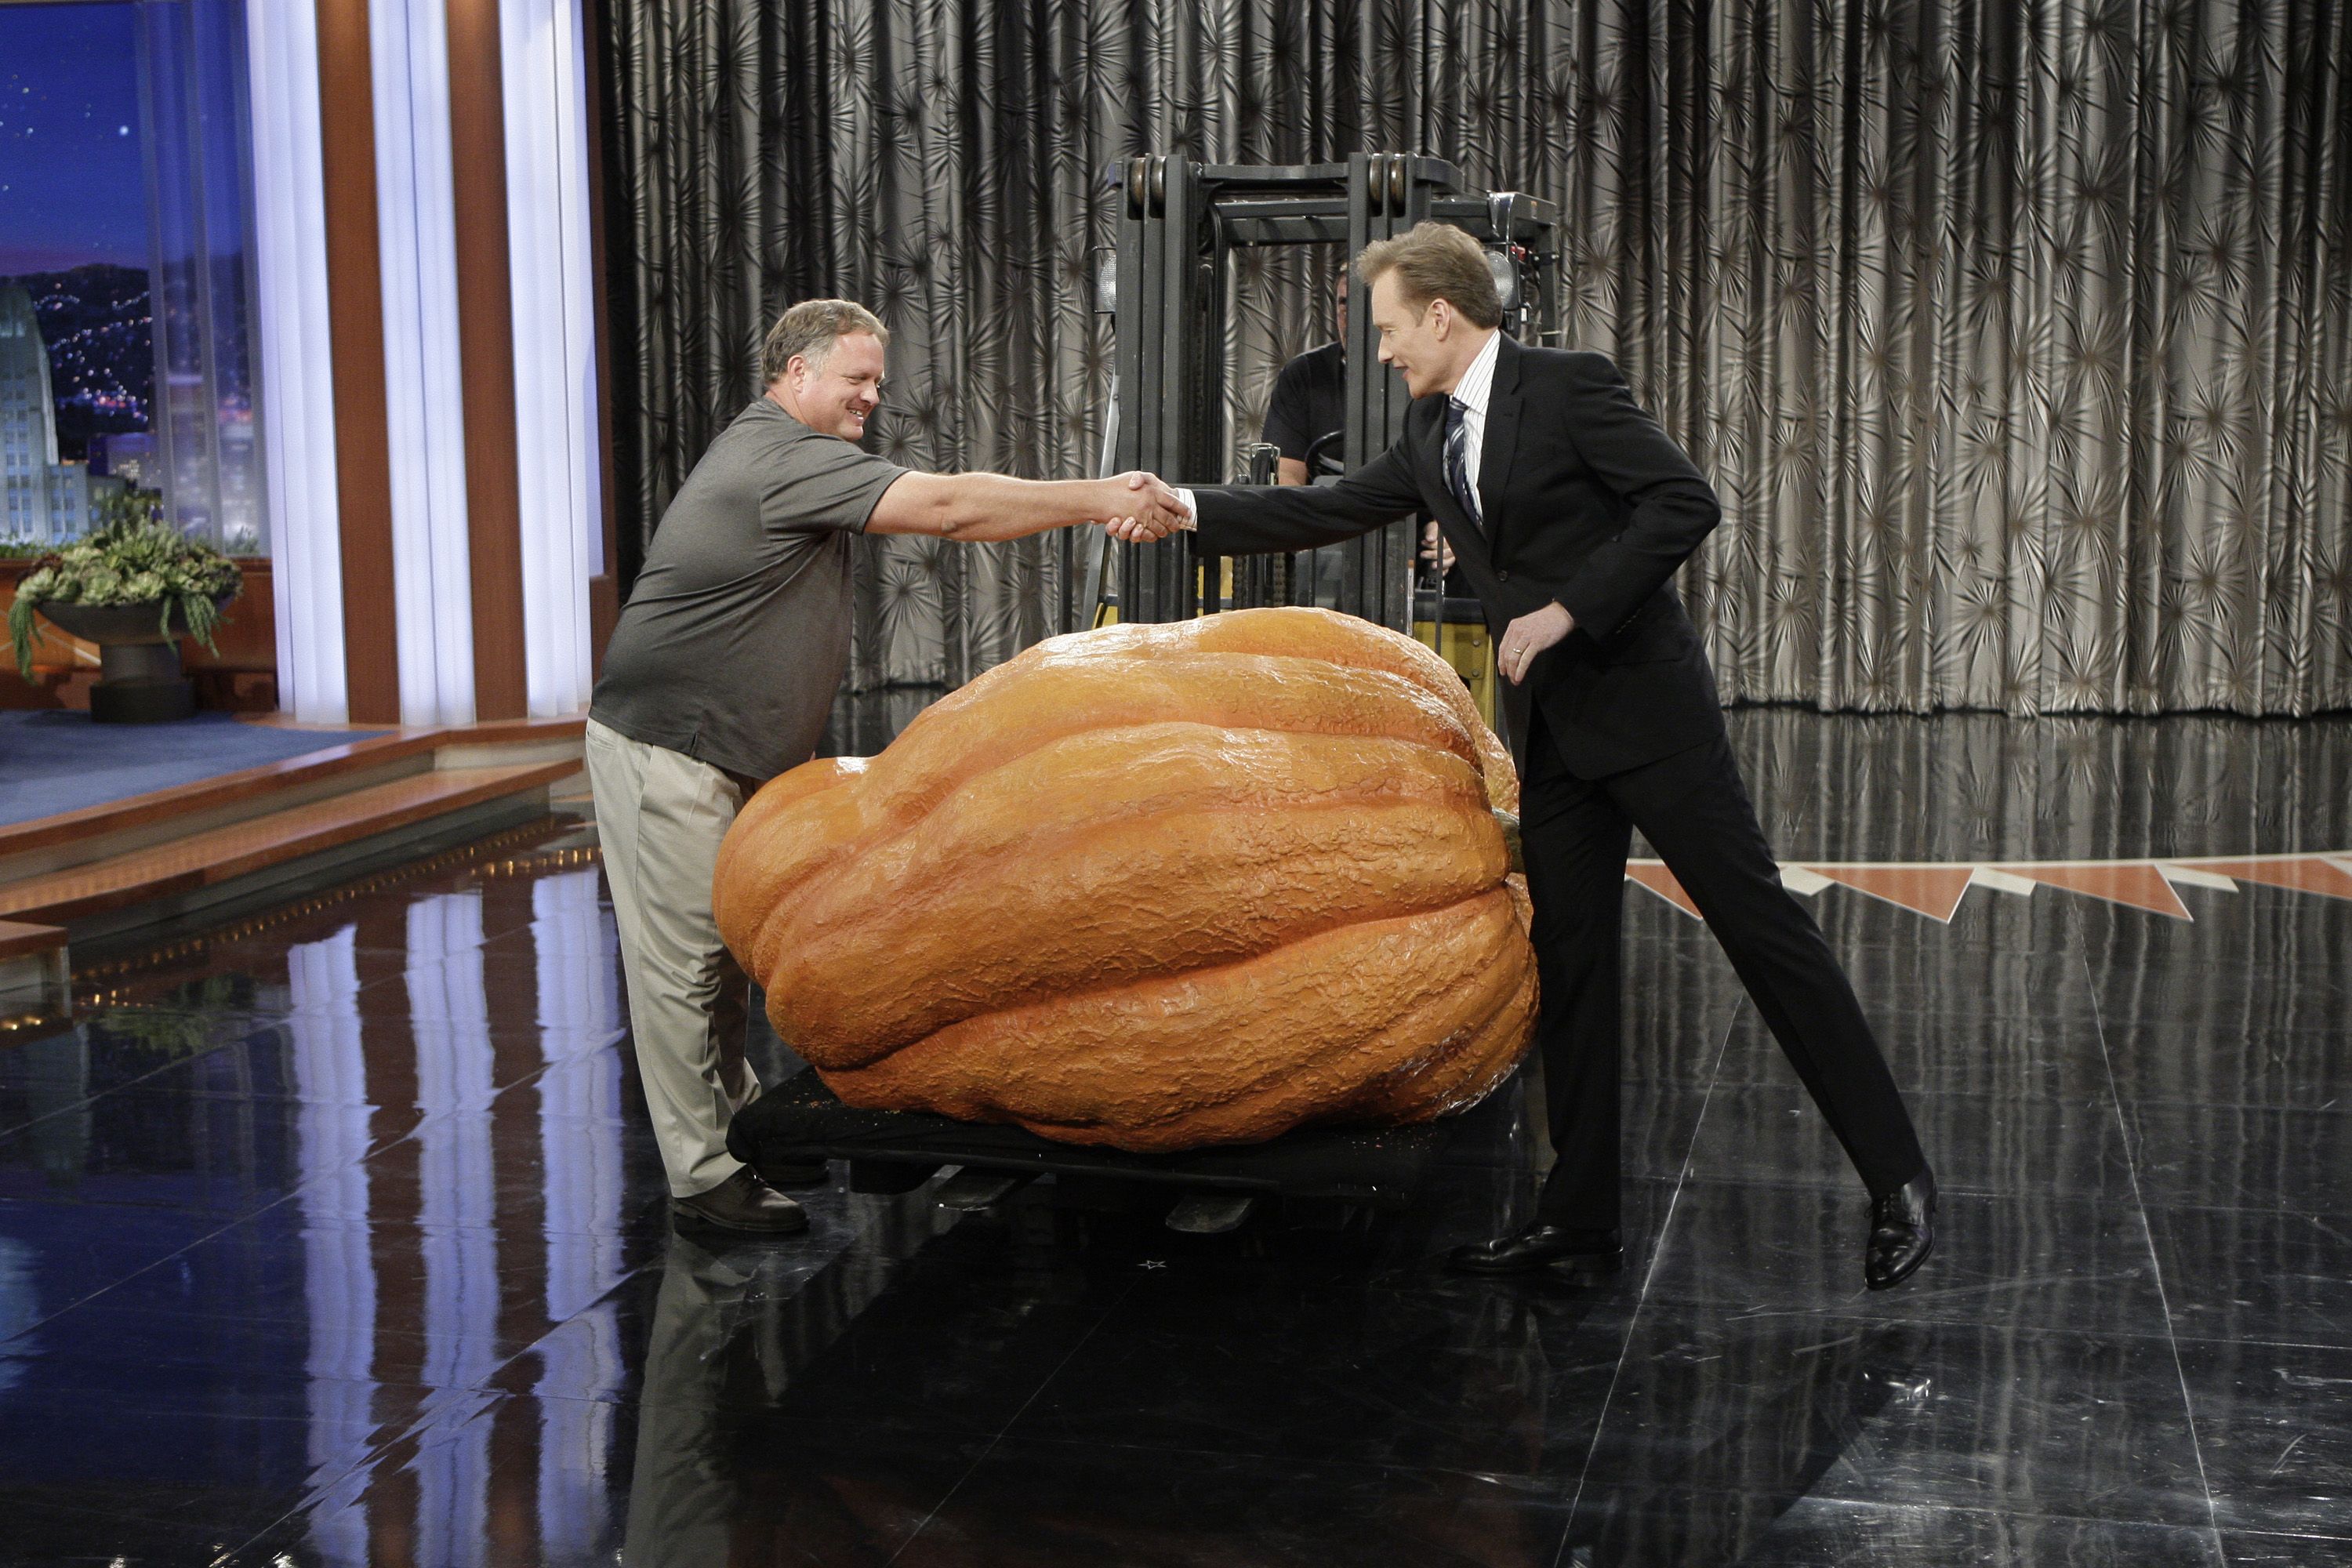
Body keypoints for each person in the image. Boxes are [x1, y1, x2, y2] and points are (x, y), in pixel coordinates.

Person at [1120, 224, 1936, 1290]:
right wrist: (1184, 507)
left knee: (1764, 934)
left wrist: (1566, 611)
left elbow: (1683, 503)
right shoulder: (1427, 430)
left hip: (1648, 718)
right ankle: (1579, 1218)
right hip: (1552, 735)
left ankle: (1900, 1180)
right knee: (1575, 972)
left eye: (1389, 329)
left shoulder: (1568, 387)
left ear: (1443, 316)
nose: (1380, 352)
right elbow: (1327, 508)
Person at [590, 298, 1185, 1235]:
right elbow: (946, 508)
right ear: (796, 375)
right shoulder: (778, 453)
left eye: (876, 378)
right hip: (670, 741)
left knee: (731, 950)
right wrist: (1102, 495)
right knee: (684, 968)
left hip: (732, 744)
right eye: (857, 378)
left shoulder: (799, 454)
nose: (874, 394)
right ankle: (703, 1179)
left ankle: (737, 1123)